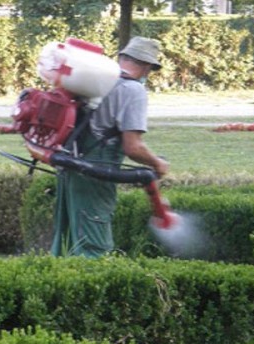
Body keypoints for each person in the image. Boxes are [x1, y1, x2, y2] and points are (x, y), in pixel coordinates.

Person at [51, 36, 170, 258]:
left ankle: (60, 287)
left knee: (65, 240)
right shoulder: (133, 90)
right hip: (95, 174)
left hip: (70, 167)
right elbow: (133, 147)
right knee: (93, 247)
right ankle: (93, 290)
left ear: (122, 57)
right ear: (146, 66)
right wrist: (157, 163)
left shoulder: (93, 80)